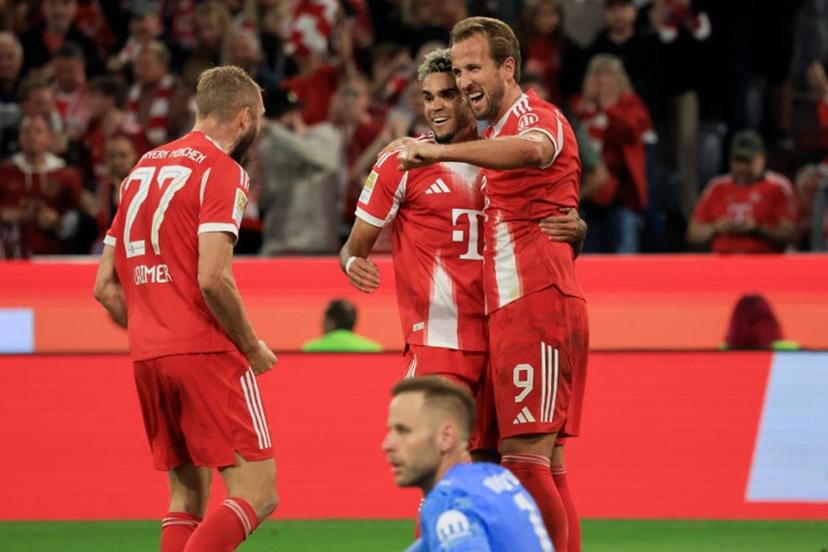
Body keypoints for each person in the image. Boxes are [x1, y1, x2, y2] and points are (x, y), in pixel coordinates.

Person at [397, 17, 589, 552]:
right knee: (541, 462)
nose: (464, 82)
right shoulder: (490, 135)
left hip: (536, 304)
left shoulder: (535, 116)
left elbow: (534, 151)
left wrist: (439, 151)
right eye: (458, 71)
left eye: (474, 67)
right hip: (512, 309)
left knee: (526, 463)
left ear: (508, 67)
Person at [341, 48, 586, 457]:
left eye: (448, 95)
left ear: (471, 97)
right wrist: (352, 262)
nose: (435, 106)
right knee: (436, 466)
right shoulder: (401, 161)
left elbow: (549, 229)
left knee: (498, 467)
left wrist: (577, 231)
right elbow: (354, 245)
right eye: (428, 96)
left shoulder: (506, 159)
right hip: (439, 343)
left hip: (504, 337)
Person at [93, 66, 278, 552]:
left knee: (186, 495)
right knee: (257, 492)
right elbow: (213, 278)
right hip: (204, 352)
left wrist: (157, 327)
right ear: (243, 118)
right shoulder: (224, 171)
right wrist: (251, 345)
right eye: (258, 119)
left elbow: (104, 287)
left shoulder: (140, 170)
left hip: (148, 355)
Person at [383, 376, 554, 552]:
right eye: (391, 430)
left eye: (404, 431)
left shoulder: (450, 501)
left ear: (446, 437)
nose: (387, 444)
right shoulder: (495, 477)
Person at [572, 54, 653, 253]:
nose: (600, 80)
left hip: (622, 195)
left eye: (607, 74)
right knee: (587, 256)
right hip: (587, 193)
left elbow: (633, 132)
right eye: (595, 74)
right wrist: (584, 111)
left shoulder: (631, 104)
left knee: (624, 255)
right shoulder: (578, 106)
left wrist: (609, 107)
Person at [257, 87, 341, 255]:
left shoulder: (325, 133)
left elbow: (322, 158)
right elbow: (266, 198)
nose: (293, 118)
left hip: (318, 245)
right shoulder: (268, 148)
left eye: (294, 112)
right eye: (285, 114)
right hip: (279, 245)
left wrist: (274, 130)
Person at [686, 130, 798, 254]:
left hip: (764, 264)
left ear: (762, 159)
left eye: (748, 161)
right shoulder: (717, 187)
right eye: (739, 160)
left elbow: (791, 234)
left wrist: (757, 229)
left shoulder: (778, 186)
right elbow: (693, 233)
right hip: (723, 265)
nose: (743, 167)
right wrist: (716, 228)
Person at [0, 113, 81, 258]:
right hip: (9, 257)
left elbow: (76, 221)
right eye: (26, 131)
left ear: (49, 137)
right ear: (19, 137)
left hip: (51, 258)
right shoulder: (5, 171)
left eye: (37, 131)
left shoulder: (65, 175)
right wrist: (5, 214)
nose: (31, 137)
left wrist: (58, 223)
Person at [723, 294, 799, 351]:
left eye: (767, 319)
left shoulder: (793, 353)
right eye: (753, 321)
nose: (762, 328)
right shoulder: (721, 356)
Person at [302, 299, 382, 352]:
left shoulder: (311, 349)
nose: (321, 323)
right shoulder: (373, 349)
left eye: (324, 319)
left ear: (331, 322)